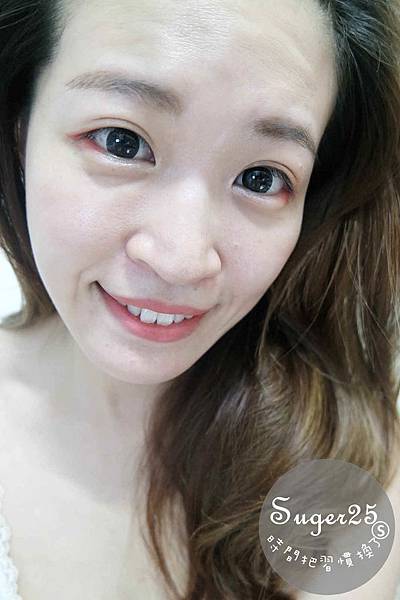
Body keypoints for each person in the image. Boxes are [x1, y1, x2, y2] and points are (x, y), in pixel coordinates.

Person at [0, 0, 400, 598]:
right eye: (121, 142)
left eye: (261, 178)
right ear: (20, 129)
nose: (182, 259)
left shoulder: (351, 481)